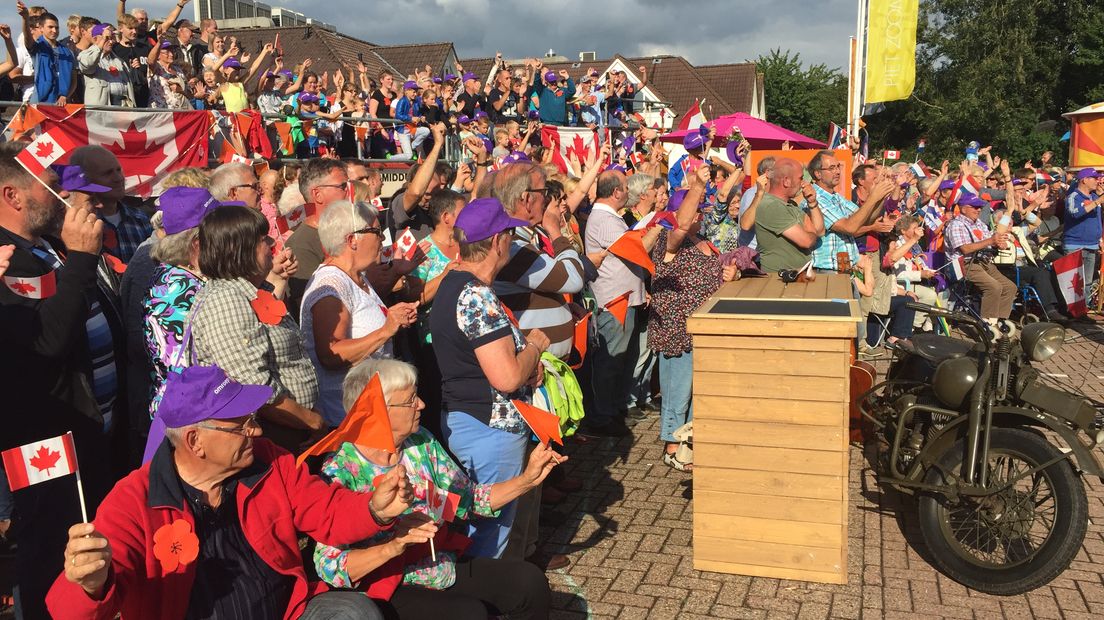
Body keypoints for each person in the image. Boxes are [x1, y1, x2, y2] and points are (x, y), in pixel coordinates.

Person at [46, 365, 410, 620]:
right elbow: (70, 611)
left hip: (286, 611)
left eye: (253, 419)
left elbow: (326, 510)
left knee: (356, 613)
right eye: (242, 425)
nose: (256, 431)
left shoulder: (269, 462)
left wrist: (375, 509)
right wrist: (90, 585)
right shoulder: (134, 502)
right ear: (195, 441)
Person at [314, 358, 555, 619]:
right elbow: (330, 565)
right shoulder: (340, 471)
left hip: (437, 566)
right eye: (410, 400)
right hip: (388, 581)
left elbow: (470, 499)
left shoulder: (420, 442)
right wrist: (395, 544)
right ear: (377, 411)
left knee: (529, 583)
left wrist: (527, 480)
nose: (421, 404)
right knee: (469, 614)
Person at [0, 143, 119, 620]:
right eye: (48, 183)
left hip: (87, 436)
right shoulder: (6, 258)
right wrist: (85, 260)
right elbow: (46, 342)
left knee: (84, 547)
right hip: (42, 442)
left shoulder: (44, 245)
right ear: (13, 195)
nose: (61, 193)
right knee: (49, 550)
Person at [429, 197, 551, 559]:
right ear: (497, 241)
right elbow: (507, 377)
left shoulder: (454, 284)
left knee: (477, 529)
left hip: (471, 421)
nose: (512, 242)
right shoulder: (475, 295)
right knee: (487, 537)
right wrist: (535, 345)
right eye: (510, 235)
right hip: (489, 430)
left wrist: (526, 363)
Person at [185, 204, 322, 452]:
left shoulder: (247, 293)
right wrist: (312, 421)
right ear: (240, 250)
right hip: (266, 437)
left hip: (286, 431)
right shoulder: (226, 300)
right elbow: (255, 387)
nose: (271, 243)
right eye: (262, 239)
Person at [648, 165, 740, 471]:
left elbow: (712, 270)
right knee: (678, 388)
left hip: (702, 326)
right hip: (678, 328)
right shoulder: (667, 241)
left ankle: (689, 442)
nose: (701, 213)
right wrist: (698, 185)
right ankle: (672, 446)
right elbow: (680, 225)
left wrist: (730, 273)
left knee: (696, 388)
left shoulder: (701, 239)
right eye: (697, 209)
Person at [302, 200, 418, 426]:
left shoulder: (356, 276)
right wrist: (386, 331)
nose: (383, 239)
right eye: (376, 231)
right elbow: (330, 354)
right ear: (352, 239)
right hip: (347, 418)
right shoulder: (331, 285)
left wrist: (394, 317)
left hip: (369, 410)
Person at [582, 170, 659, 437]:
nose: (630, 192)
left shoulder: (609, 217)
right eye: (626, 187)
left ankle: (611, 411)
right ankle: (601, 417)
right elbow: (638, 250)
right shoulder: (604, 219)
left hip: (623, 298)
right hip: (614, 301)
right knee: (609, 362)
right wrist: (660, 224)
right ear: (616, 192)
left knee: (618, 362)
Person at [806, 150, 895, 272]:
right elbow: (850, 227)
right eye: (831, 168)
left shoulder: (837, 197)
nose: (837, 171)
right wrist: (874, 197)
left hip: (844, 268)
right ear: (818, 174)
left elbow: (866, 220)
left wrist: (881, 197)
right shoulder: (816, 199)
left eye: (838, 167)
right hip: (828, 270)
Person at [285, 158, 352, 315]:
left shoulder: (350, 231)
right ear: (317, 194)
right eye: (342, 186)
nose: (349, 192)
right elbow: (314, 311)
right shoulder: (301, 246)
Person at [69, 145, 153, 264]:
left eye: (118, 170)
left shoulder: (141, 219)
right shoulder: (76, 226)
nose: (118, 178)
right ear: (85, 180)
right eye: (107, 173)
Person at [944, 193, 1016, 319]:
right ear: (963, 208)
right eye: (975, 207)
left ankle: (1000, 320)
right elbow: (965, 249)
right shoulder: (956, 225)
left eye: (979, 207)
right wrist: (991, 241)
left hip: (982, 261)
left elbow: (990, 239)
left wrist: (998, 244)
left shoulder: (980, 224)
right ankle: (987, 322)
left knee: (1010, 287)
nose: (978, 210)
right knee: (994, 287)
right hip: (964, 264)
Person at [753, 157, 825, 272]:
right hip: (779, 281)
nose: (803, 183)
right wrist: (811, 232)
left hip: (795, 277)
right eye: (800, 178)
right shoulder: (771, 206)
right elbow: (806, 241)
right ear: (786, 181)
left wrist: (812, 203)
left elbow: (820, 231)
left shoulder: (790, 204)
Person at [18, 2, 75, 105]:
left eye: (57, 28)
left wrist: (65, 96)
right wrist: (25, 18)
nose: (54, 30)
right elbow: (27, 38)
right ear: (41, 28)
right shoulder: (37, 48)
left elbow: (73, 81)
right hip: (40, 102)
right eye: (50, 27)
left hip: (62, 105)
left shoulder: (68, 52)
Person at [77, 23, 136, 106]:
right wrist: (102, 42)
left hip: (123, 108)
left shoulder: (120, 62)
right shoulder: (85, 56)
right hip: (103, 111)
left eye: (112, 38)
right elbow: (87, 64)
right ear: (95, 39)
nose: (111, 42)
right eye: (107, 38)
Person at [1063, 168, 1102, 290]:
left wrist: (1100, 240)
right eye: (1095, 178)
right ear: (1085, 180)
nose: (1098, 181)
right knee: (1073, 283)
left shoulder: (1095, 196)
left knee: (1088, 282)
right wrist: (1097, 202)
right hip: (1074, 245)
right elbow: (1075, 213)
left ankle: (1084, 307)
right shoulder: (1073, 196)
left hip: (1092, 245)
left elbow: (1098, 220)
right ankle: (1071, 309)